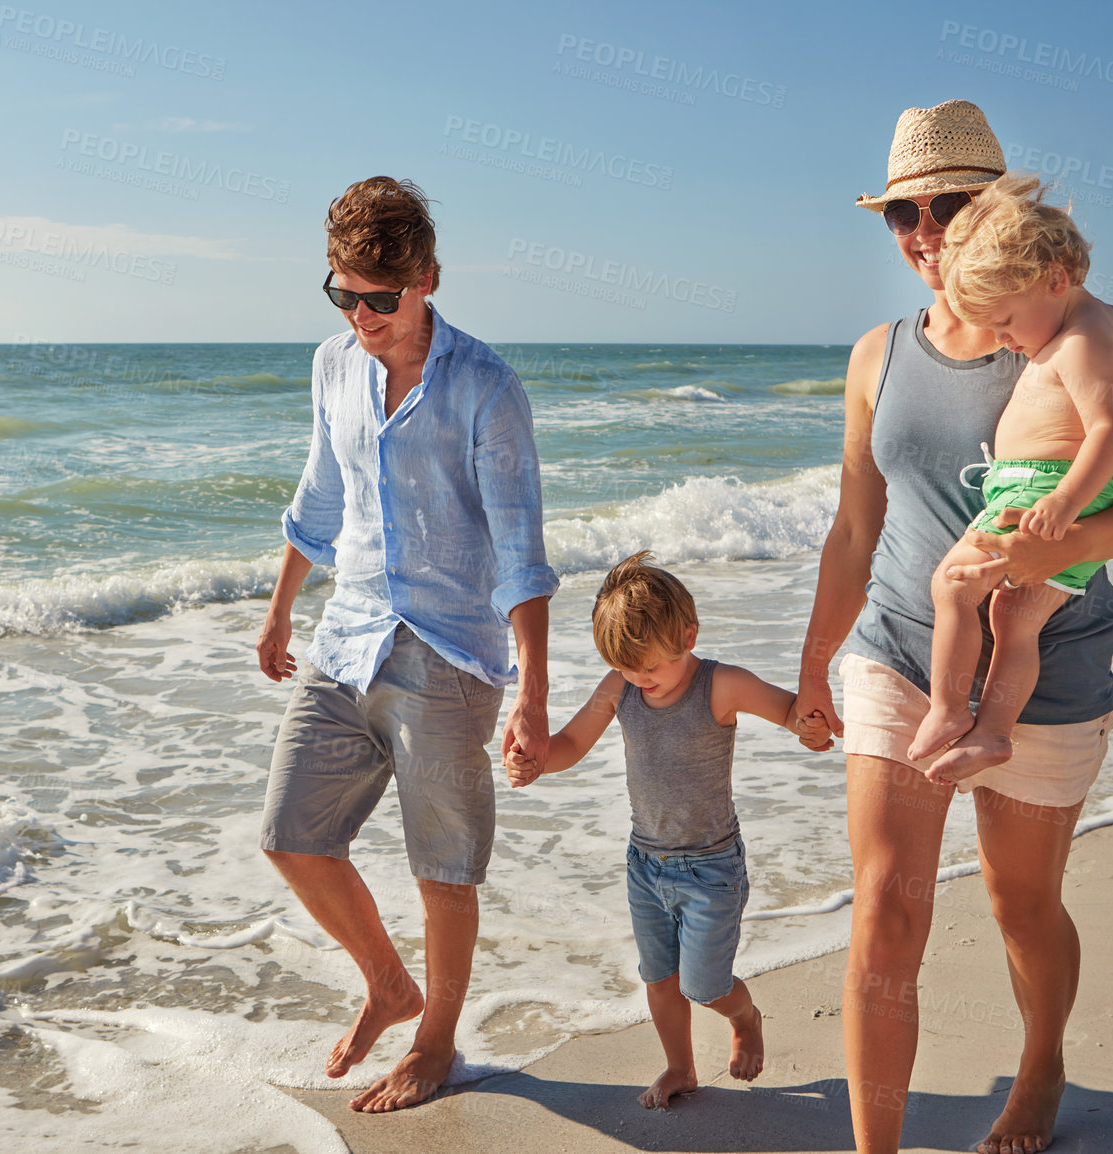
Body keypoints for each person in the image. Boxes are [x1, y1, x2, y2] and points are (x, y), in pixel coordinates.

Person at [794, 102, 1113, 1154]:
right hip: (901, 645)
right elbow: (855, 526)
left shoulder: (1075, 326)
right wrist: (812, 666)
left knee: (1019, 900)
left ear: (997, 208)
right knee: (886, 902)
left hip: (1053, 653)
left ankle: (1040, 1063)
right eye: (902, 213)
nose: (923, 229)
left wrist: (1048, 555)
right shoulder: (875, 356)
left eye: (946, 205)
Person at [255, 176, 559, 1113]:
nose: (362, 317)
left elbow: (521, 550)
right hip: (346, 640)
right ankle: (390, 985)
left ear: (427, 278)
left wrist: (533, 689)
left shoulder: (486, 389)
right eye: (343, 294)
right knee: (290, 835)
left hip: (449, 652)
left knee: (444, 868)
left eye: (380, 300)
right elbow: (319, 497)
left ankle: (435, 1045)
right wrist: (279, 611)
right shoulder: (332, 364)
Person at [506, 552, 832, 1110]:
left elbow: (790, 712)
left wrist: (810, 726)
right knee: (658, 977)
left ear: (688, 635)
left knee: (704, 985)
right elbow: (571, 745)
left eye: (648, 667)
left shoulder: (720, 685)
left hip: (711, 868)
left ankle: (745, 1017)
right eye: (627, 668)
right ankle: (680, 1067)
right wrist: (537, 758)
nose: (640, 680)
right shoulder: (621, 686)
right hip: (645, 864)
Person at [909, 174, 1113, 782]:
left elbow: (1107, 433)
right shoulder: (1107, 324)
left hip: (1049, 489)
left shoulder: (1084, 341)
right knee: (1010, 617)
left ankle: (949, 709)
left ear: (1055, 281)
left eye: (1007, 322)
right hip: (1032, 488)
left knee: (954, 587)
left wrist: (1066, 502)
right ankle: (987, 732)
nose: (1004, 341)